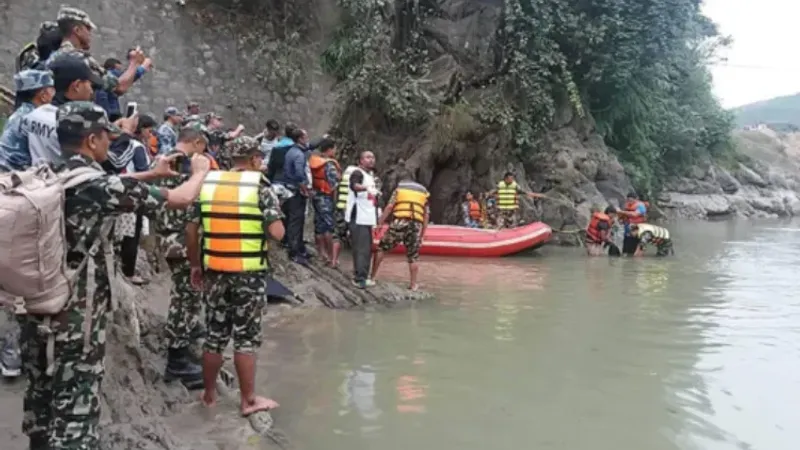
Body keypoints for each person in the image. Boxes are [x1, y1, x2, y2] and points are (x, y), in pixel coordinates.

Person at [18, 101, 209, 450]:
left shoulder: (45, 172)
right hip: (76, 315)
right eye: (107, 137)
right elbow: (180, 199)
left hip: (34, 303)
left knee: (42, 400)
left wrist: (150, 173)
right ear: (92, 141)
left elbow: (106, 185)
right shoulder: (99, 187)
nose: (110, 143)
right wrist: (199, 171)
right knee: (76, 409)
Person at [185, 136, 284, 416]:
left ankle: (208, 396)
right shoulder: (260, 188)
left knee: (214, 335)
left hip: (214, 271)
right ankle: (249, 400)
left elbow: (191, 231)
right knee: (246, 338)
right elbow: (277, 233)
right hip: (248, 274)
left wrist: (195, 265)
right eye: (259, 159)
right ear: (253, 159)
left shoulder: (208, 185)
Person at [151, 121, 214, 388]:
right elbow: (190, 216)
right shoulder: (188, 166)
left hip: (168, 236)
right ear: (198, 142)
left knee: (185, 294)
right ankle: (177, 360)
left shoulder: (164, 158)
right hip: (182, 239)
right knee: (185, 296)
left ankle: (186, 336)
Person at [24, 54, 104, 167]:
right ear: (76, 86)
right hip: (66, 181)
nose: (91, 91)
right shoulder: (74, 125)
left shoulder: (34, 114)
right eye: (90, 85)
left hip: (39, 178)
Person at [46, 6, 145, 96]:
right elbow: (119, 86)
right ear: (77, 30)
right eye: (88, 28)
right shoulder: (79, 59)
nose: (90, 33)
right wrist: (134, 63)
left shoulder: (52, 57)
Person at [371, 172, 430, 290]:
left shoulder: (400, 189)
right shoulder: (423, 192)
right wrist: (422, 234)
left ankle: (372, 277)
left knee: (382, 248)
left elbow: (389, 207)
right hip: (416, 225)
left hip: (400, 222)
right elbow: (426, 214)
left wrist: (379, 223)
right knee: (413, 256)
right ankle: (413, 285)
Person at [0, 69, 55, 172]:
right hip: (14, 176)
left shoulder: (19, 113)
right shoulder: (36, 118)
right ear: (43, 96)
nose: (54, 94)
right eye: (51, 90)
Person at [346, 151, 380, 288]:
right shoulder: (357, 173)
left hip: (368, 217)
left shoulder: (370, 176)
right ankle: (359, 278)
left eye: (373, 157)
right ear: (360, 160)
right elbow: (354, 186)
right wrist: (366, 188)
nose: (371, 160)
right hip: (358, 215)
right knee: (361, 249)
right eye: (367, 157)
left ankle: (363, 276)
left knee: (367, 248)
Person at [281, 128, 312, 265]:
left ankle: (298, 247)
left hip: (289, 189)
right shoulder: (299, 155)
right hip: (296, 192)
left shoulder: (290, 151)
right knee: (296, 221)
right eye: (305, 137)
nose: (307, 140)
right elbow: (299, 173)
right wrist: (304, 187)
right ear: (300, 139)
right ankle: (294, 252)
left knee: (292, 219)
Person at [309, 138, 340, 264]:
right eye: (334, 148)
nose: (335, 151)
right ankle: (331, 257)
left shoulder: (313, 161)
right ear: (330, 149)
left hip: (315, 196)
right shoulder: (329, 164)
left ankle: (321, 254)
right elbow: (333, 184)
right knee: (328, 227)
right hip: (326, 198)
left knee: (318, 226)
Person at [95, 51, 151, 120]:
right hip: (110, 115)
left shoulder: (102, 80)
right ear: (111, 68)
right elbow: (126, 77)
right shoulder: (111, 74)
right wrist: (143, 66)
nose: (119, 72)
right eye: (118, 69)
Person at [331, 161, 359, 266]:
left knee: (337, 236)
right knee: (355, 238)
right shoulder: (357, 181)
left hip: (340, 209)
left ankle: (334, 260)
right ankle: (355, 265)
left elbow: (335, 193)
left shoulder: (341, 180)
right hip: (352, 212)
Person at [617, 192, 648, 256]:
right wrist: (621, 219)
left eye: (631, 200)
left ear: (636, 199)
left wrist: (621, 212)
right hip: (627, 232)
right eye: (628, 200)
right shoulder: (627, 206)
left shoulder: (641, 206)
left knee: (635, 253)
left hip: (637, 232)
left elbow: (634, 214)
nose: (629, 202)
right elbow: (623, 218)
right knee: (625, 252)